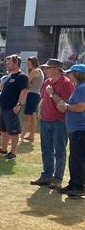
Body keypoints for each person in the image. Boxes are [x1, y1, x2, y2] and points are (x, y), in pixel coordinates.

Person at [32, 59, 74, 190]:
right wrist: (40, 112)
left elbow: (64, 105)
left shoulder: (67, 84)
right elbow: (43, 99)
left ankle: (57, 179)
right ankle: (47, 175)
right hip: (46, 120)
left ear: (56, 69)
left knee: (59, 151)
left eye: (48, 68)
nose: (45, 70)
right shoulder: (47, 82)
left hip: (59, 122)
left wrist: (52, 94)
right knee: (46, 150)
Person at [52, 64, 85, 197]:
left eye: (70, 73)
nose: (68, 75)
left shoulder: (82, 88)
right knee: (76, 159)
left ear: (77, 74)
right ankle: (74, 184)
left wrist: (66, 106)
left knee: (78, 159)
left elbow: (81, 107)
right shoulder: (79, 88)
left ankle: (78, 187)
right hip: (77, 129)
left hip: (80, 129)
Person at [0, 54, 28, 160]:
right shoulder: (9, 76)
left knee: (13, 131)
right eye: (6, 62)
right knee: (3, 129)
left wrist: (19, 104)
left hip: (12, 108)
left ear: (16, 63)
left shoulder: (22, 76)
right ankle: (4, 149)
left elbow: (24, 91)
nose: (7, 64)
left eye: (9, 62)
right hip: (3, 107)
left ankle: (13, 152)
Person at [22, 56, 44, 142]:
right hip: (36, 95)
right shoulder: (39, 70)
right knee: (32, 116)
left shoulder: (35, 71)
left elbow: (26, 83)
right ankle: (31, 136)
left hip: (32, 95)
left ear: (33, 63)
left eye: (28, 63)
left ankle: (22, 136)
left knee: (27, 116)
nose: (27, 65)